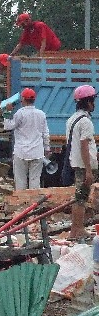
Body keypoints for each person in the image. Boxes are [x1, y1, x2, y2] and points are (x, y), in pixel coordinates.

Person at [2, 88, 50, 190]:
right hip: (37, 152)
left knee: (20, 182)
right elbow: (45, 133)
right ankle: (34, 204)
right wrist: (47, 148)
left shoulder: (20, 113)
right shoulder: (41, 114)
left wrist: (7, 112)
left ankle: (22, 204)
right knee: (35, 181)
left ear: (23, 99)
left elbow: (7, 127)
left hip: (21, 152)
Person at [66, 85, 98, 240]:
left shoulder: (72, 119)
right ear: (88, 102)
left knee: (80, 196)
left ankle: (75, 230)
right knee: (81, 198)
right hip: (84, 165)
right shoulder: (85, 122)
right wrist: (89, 170)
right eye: (92, 101)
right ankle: (78, 230)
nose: (94, 104)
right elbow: (84, 145)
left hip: (77, 163)